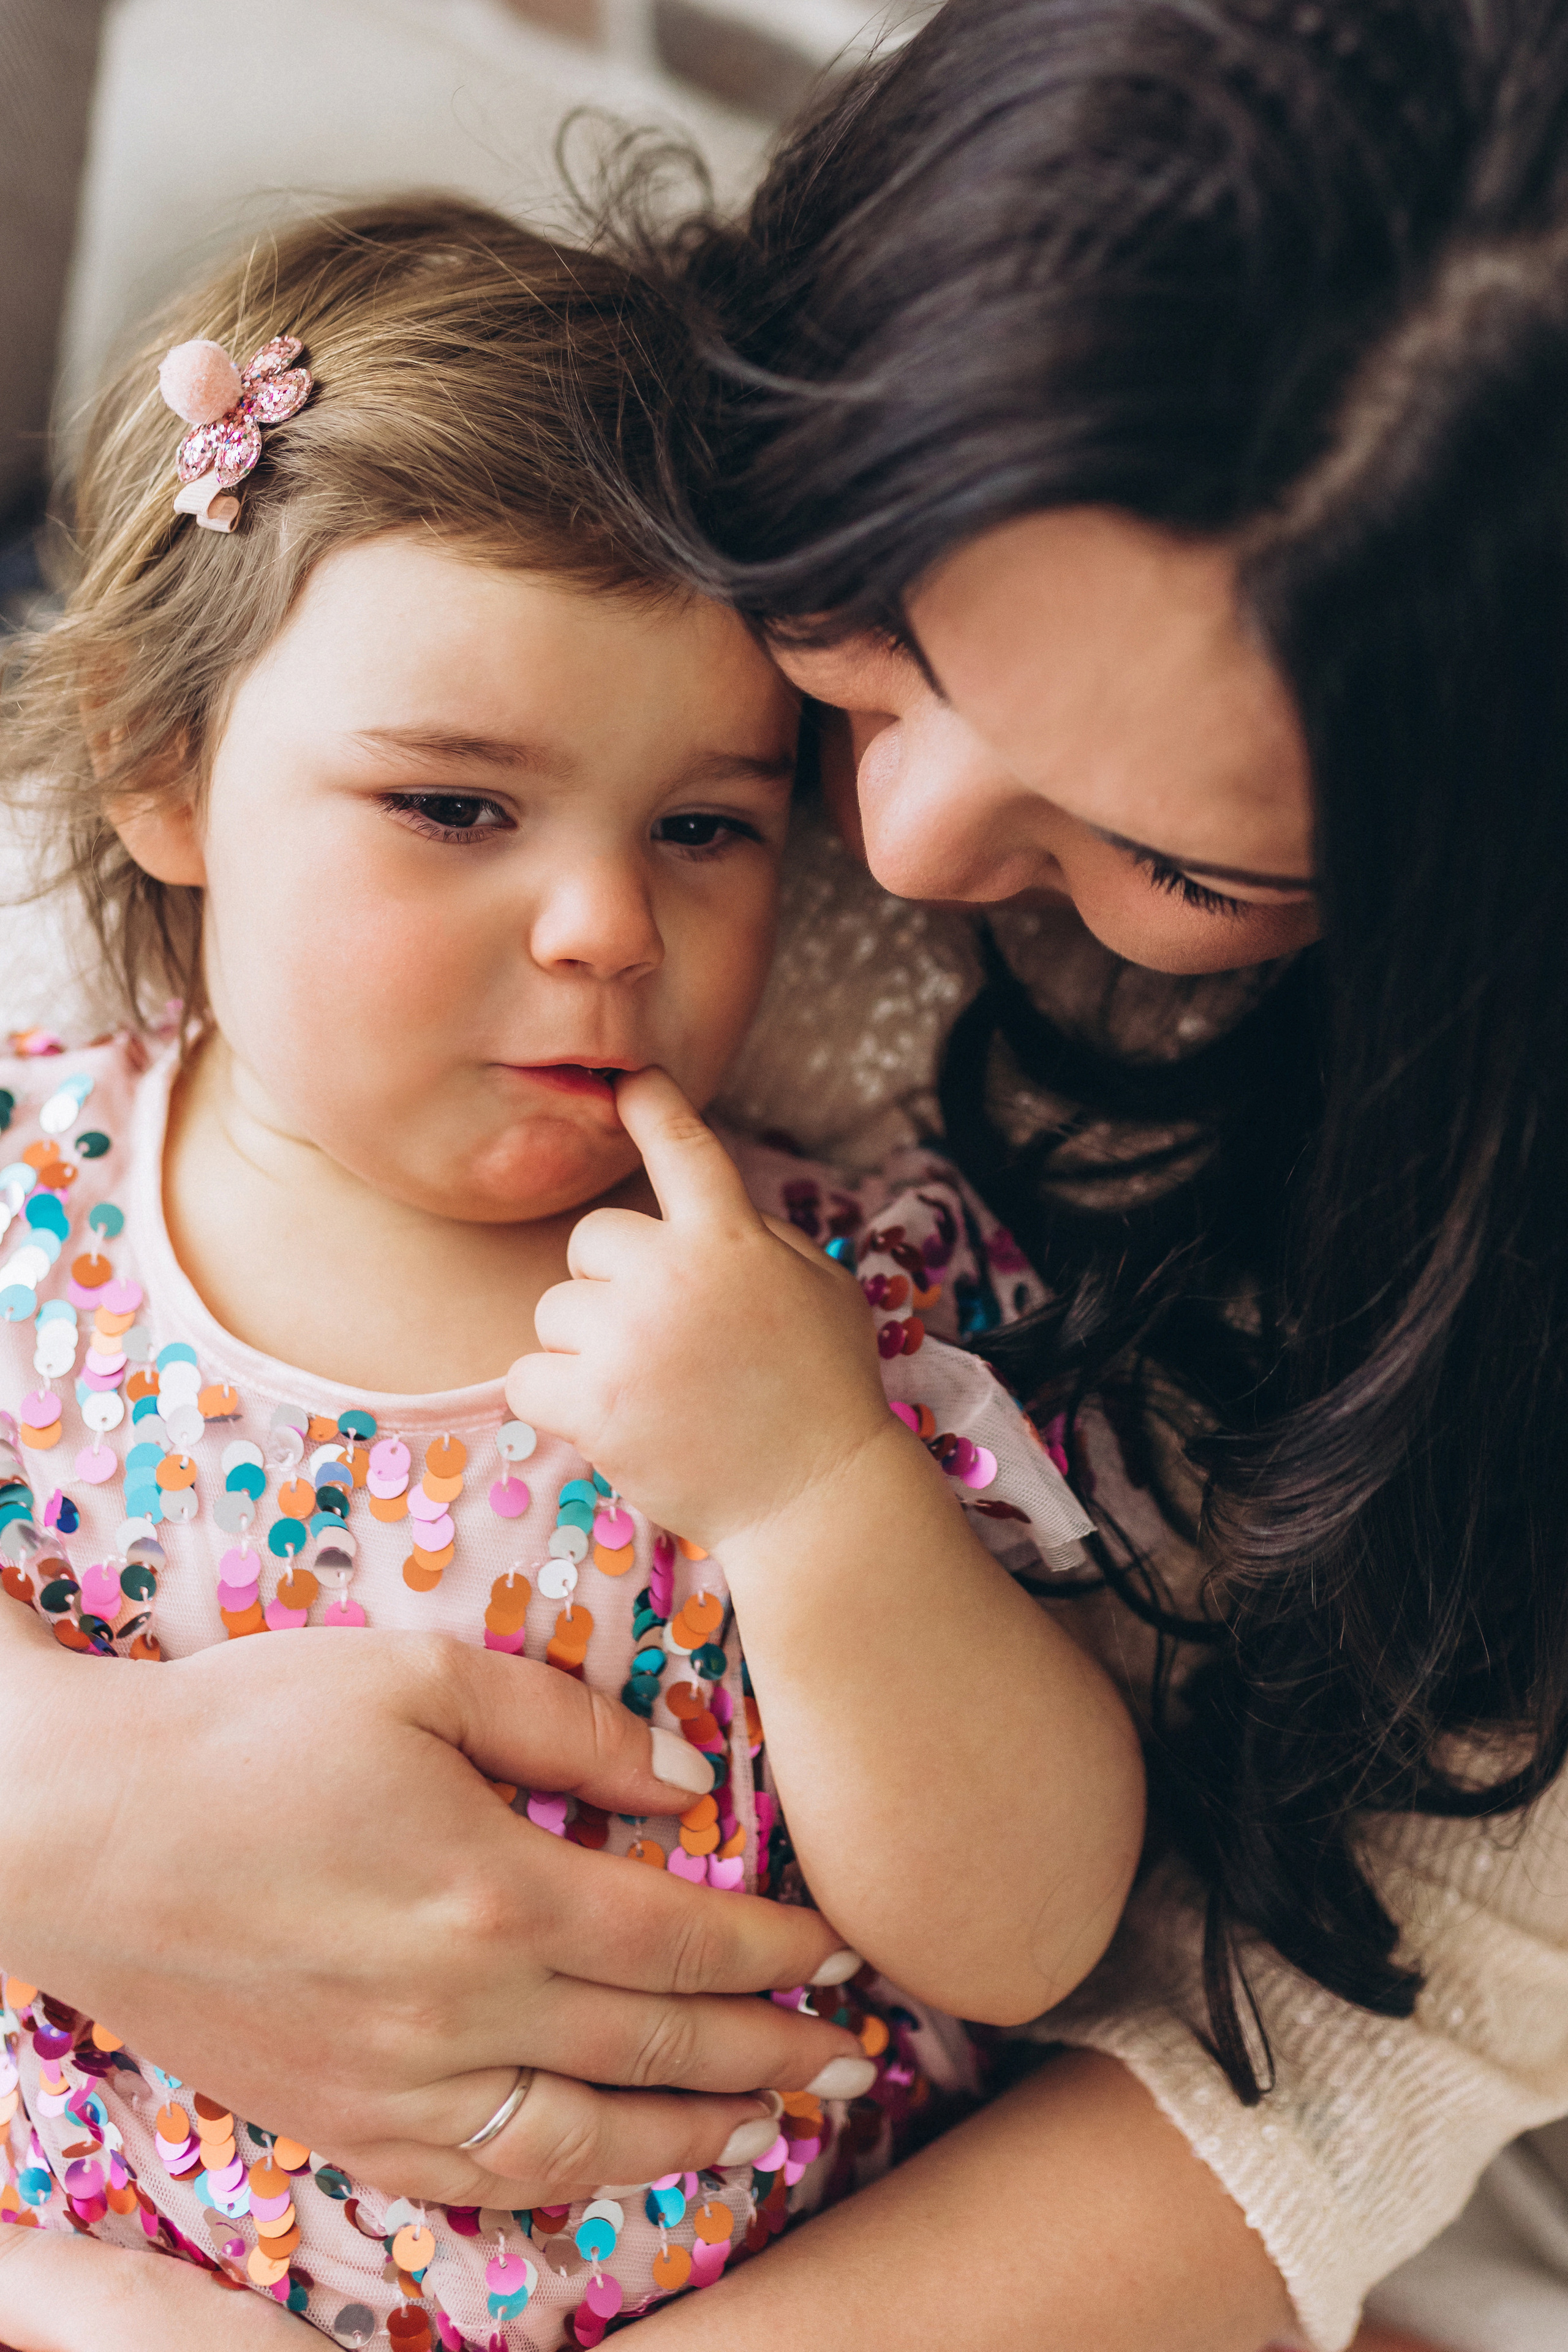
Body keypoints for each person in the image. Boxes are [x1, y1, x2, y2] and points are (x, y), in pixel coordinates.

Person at [0, 195, 1142, 2346]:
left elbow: (1036, 1936)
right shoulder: (25, 1188)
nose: (605, 926)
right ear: (167, 774)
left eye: (704, 830)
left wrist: (819, 1498)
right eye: (454, 807)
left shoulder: (856, 1304)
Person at [585, 1, 1568, 2349]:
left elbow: (1360, 2045)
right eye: (877, 624)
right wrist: (72, 1808)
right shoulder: (541, 524)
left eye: (1184, 866)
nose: (901, 841)